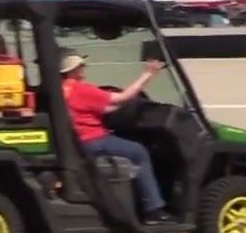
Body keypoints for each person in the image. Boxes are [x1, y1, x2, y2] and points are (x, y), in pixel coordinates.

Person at [60, 51, 175, 224]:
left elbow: (106, 107)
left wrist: (123, 101)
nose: (84, 68)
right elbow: (122, 97)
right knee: (139, 152)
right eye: (80, 66)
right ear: (73, 70)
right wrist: (148, 74)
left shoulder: (63, 90)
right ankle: (153, 210)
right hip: (94, 141)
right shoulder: (81, 89)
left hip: (82, 141)